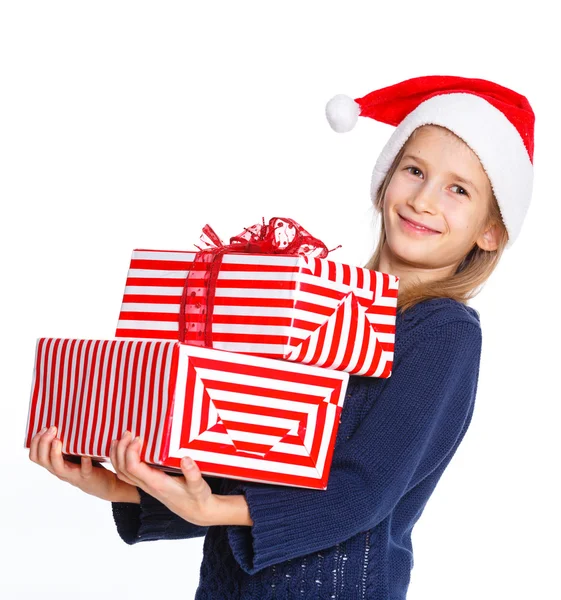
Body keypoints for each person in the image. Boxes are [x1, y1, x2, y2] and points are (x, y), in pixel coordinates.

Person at [29, 74, 536, 599]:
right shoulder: (321, 311)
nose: (425, 199)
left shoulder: (443, 333)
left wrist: (214, 507)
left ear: (490, 231)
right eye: (414, 170)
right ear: (385, 180)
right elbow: (247, 469)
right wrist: (125, 486)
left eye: (459, 189)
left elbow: (362, 494)